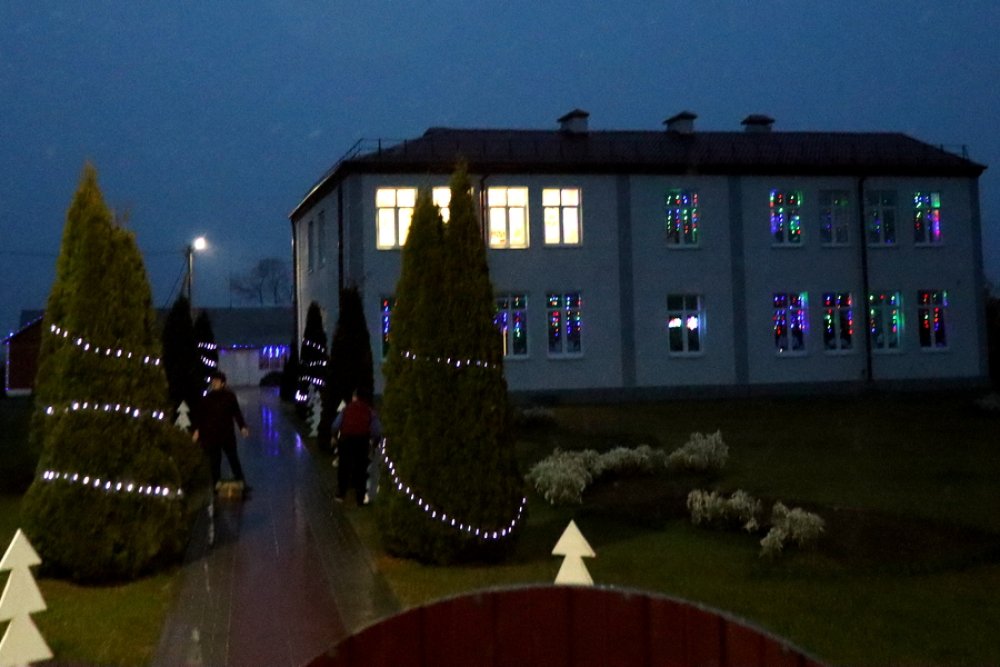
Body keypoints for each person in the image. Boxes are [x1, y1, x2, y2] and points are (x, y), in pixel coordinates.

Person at [193, 371, 250, 492]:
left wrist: (242, 427)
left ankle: (241, 482)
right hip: (213, 436)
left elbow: (236, 413)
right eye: (213, 381)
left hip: (227, 435)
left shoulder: (229, 397)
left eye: (217, 381)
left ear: (223, 383)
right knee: (215, 461)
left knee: (233, 459)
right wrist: (198, 430)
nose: (214, 383)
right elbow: (202, 416)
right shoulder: (208, 399)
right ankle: (216, 484)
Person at [332, 390, 380, 505]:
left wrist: (334, 436)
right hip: (362, 442)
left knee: (343, 467)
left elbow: (335, 425)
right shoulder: (369, 411)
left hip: (346, 441)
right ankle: (360, 497)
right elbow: (377, 430)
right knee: (361, 469)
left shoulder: (346, 409)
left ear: (354, 397)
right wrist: (374, 443)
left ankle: (341, 494)